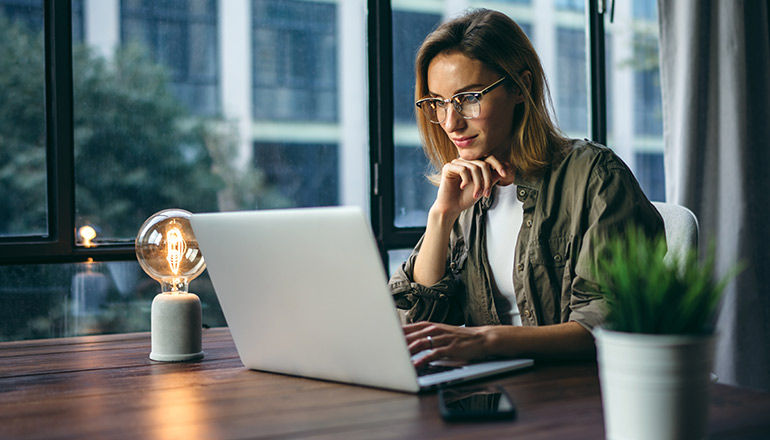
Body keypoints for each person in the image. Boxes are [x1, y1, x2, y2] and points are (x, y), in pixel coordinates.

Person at [389, 9, 664, 367]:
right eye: (437, 102)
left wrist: (486, 340)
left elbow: (604, 327)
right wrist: (442, 217)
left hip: (572, 396)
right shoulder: (466, 190)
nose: (450, 122)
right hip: (490, 392)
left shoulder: (595, 177)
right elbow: (414, 326)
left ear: (521, 87)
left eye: (469, 98)